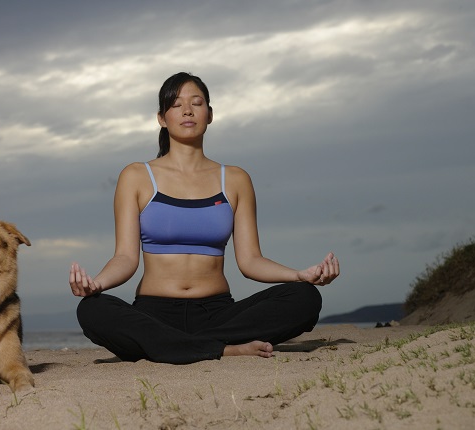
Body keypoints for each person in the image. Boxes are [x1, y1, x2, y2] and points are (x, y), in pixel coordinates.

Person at [68, 72, 339, 364]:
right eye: (176, 105)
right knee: (91, 309)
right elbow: (125, 258)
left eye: (196, 103)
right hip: (154, 313)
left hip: (218, 314)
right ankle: (222, 348)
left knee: (305, 298)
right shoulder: (136, 176)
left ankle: (180, 347)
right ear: (161, 118)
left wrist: (299, 275)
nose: (187, 110)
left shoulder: (235, 179)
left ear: (209, 114)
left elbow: (250, 262)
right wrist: (96, 284)